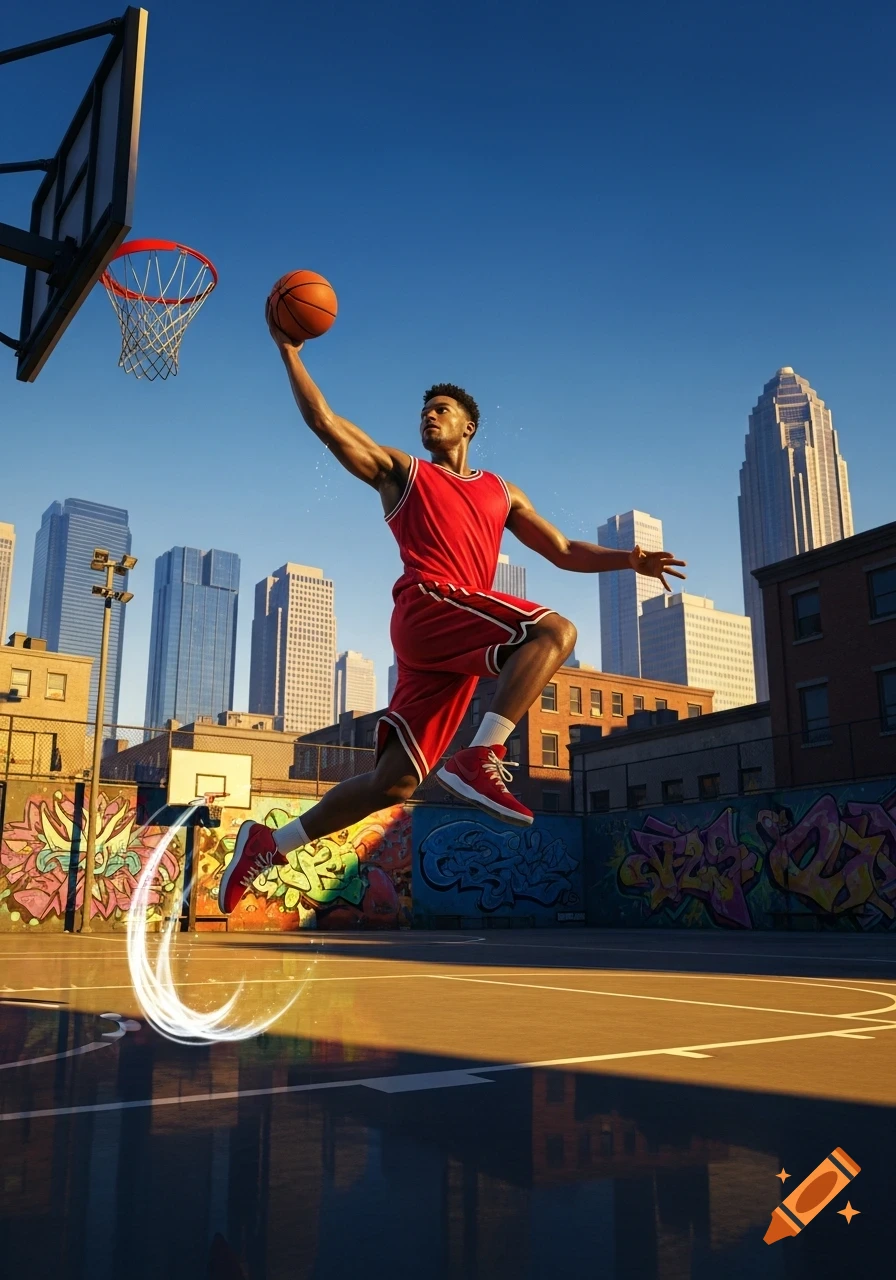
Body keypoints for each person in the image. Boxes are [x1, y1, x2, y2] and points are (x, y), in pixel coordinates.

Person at [219, 312, 686, 913]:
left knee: (396, 781)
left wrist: (631, 559)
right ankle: (483, 754)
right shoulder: (403, 474)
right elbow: (326, 424)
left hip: (458, 644)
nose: (429, 415)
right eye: (425, 411)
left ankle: (269, 844)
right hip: (428, 606)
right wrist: (290, 352)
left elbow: (565, 551)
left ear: (470, 425)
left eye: (442, 408)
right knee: (554, 631)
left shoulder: (501, 491)